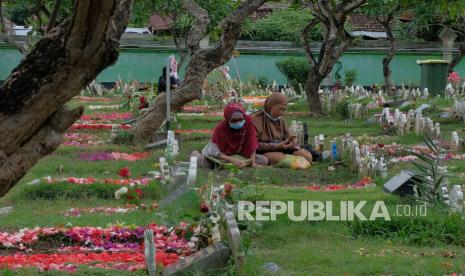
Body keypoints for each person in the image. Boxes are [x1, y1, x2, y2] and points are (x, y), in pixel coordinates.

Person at [192, 103, 268, 169]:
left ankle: (238, 165)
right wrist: (232, 160)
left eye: (240, 119)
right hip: (222, 156)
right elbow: (215, 151)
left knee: (263, 160)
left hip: (240, 154)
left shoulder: (248, 123)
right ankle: (195, 154)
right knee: (203, 163)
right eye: (234, 120)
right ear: (228, 120)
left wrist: (253, 163)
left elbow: (252, 144)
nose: (238, 122)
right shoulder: (220, 128)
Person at [251, 93, 313, 165]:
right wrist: (276, 146)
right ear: (270, 105)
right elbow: (253, 144)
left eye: (284, 110)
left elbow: (289, 136)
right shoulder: (255, 119)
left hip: (282, 149)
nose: (281, 112)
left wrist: (292, 141)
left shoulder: (281, 120)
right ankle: (297, 162)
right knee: (279, 158)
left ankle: (297, 161)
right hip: (265, 151)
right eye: (280, 109)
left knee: (306, 156)